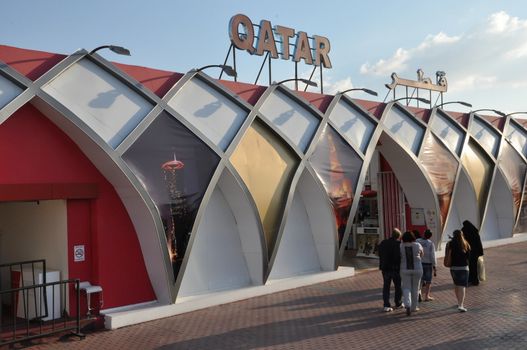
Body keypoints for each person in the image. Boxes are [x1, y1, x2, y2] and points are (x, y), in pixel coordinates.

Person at [378, 228, 403, 312]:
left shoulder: (383, 243)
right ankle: (398, 302)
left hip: (385, 268)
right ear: (399, 236)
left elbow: (379, 253)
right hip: (395, 268)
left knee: (386, 286)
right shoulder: (399, 244)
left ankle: (386, 305)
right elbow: (400, 257)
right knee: (398, 286)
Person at [447, 229, 471, 312]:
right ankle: (461, 305)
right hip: (463, 268)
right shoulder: (465, 244)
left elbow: (447, 254)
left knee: (457, 285)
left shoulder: (450, 244)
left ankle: (459, 302)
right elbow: (468, 257)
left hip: (453, 268)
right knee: (462, 286)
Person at [400, 231, 423, 316]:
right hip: (417, 268)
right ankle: (414, 306)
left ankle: (407, 304)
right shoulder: (417, 245)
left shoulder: (401, 246)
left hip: (404, 268)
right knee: (415, 288)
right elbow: (421, 254)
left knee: (406, 287)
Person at [462, 220, 483, 285]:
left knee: (469, 266)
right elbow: (479, 242)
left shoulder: (464, 230)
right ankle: (475, 280)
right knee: (474, 266)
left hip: (468, 251)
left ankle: (470, 279)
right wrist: (480, 251)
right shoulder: (475, 230)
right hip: (475, 252)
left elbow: (462, 240)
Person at [418, 229, 437, 301]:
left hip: (419, 263)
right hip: (428, 264)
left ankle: (419, 293)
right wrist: (434, 265)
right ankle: (426, 296)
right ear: (430, 236)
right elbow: (433, 255)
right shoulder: (430, 243)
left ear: (423, 233)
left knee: (420, 280)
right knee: (428, 281)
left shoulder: (417, 241)